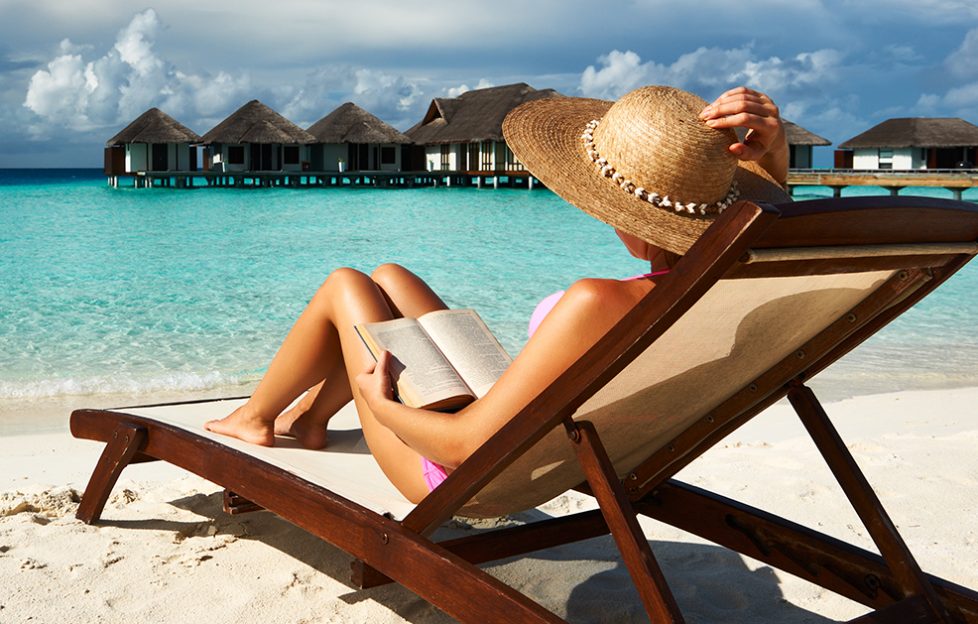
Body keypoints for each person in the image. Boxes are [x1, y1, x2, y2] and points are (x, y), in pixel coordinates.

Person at [205, 85, 791, 504]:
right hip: (536, 441)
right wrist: (775, 160)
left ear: (629, 215)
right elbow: (775, 237)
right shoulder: (729, 288)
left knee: (347, 285)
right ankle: (308, 419)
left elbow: (463, 447)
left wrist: (380, 405)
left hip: (469, 479)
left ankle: (256, 417)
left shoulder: (599, 301)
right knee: (389, 277)